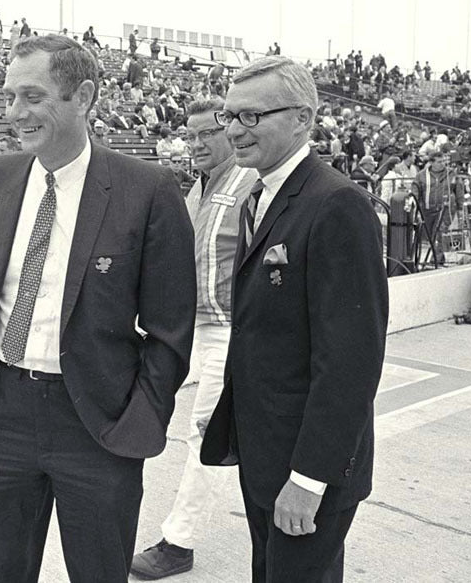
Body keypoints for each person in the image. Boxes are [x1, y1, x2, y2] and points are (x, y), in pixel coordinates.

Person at [0, 35, 196, 583]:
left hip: (96, 419)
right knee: (2, 573)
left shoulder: (147, 189)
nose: (15, 114)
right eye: (9, 97)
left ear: (84, 95)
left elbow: (171, 328)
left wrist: (138, 417)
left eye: (33, 97)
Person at [200, 56, 388, 583]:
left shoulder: (337, 205)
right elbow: (265, 333)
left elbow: (351, 361)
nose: (234, 130)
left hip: (306, 467)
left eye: (251, 117)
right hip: (266, 454)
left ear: (302, 118)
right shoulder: (258, 197)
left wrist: (309, 478)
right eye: (229, 116)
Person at [131, 98, 257, 579]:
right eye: (191, 135)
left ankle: (178, 542)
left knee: (205, 433)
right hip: (195, 330)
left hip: (231, 331)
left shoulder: (249, 184)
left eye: (208, 134)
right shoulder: (196, 190)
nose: (196, 144)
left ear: (231, 133)